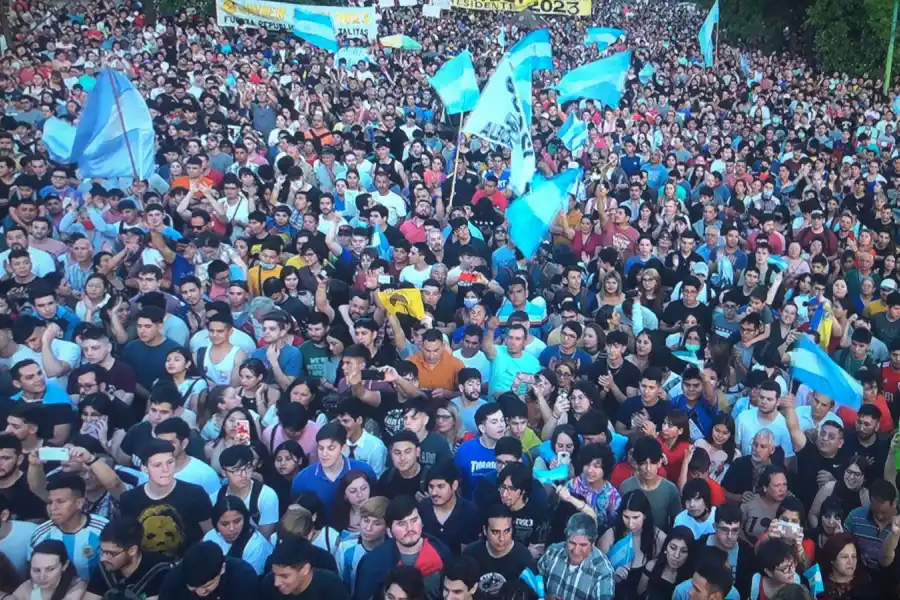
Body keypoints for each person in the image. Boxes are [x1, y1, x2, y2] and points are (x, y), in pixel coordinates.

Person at [118, 439, 213, 559]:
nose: (166, 469)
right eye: (157, 465)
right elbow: (128, 539)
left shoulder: (195, 494)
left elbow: (210, 534)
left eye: (170, 462)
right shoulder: (129, 499)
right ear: (144, 468)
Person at [352, 495, 451, 600]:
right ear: (389, 531)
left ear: (422, 523)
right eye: (401, 524)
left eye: (414, 520)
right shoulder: (373, 563)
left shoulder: (441, 552)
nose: (410, 528)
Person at [28, 473, 108, 580]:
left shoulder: (103, 530)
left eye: (60, 501)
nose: (53, 508)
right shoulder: (40, 533)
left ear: (79, 503)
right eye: (50, 502)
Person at [290, 423, 376, 522]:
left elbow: (376, 505)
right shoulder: (302, 479)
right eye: (321, 448)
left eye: (331, 448)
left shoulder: (365, 470)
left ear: (343, 448)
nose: (324, 454)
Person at [83, 518, 171, 600]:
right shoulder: (105, 568)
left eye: (112, 553)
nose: (103, 558)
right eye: (102, 551)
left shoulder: (160, 572)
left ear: (132, 550)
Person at [461, 504, 537, 597]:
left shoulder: (524, 557)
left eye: (506, 531)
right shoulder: (471, 553)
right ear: (485, 530)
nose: (502, 538)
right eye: (495, 532)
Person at [539, 512, 615, 600]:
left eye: (583, 545)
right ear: (566, 539)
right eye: (572, 543)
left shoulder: (604, 572)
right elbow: (535, 584)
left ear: (593, 543)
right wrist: (544, 597)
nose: (576, 551)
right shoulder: (552, 552)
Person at [158, 541, 261, 600]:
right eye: (193, 588)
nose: (200, 592)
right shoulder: (173, 581)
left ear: (222, 569)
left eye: (207, 586)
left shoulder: (243, 577)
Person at [417, 460, 480, 555]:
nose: (434, 492)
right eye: (431, 487)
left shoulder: (469, 512)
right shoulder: (421, 510)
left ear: (454, 485)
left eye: (440, 486)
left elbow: (468, 552)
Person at [203, 495, 273, 575]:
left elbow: (251, 578)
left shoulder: (256, 545)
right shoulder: (210, 537)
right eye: (225, 524)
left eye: (237, 522)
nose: (232, 528)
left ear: (245, 519)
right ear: (216, 523)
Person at [262, 537, 349, 600]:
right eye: (275, 574)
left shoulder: (330, 585)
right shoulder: (269, 584)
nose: (276, 583)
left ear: (305, 569)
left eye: (284, 576)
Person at [334, 496, 389, 592]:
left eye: (377, 524)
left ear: (387, 527)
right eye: (366, 521)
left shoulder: (393, 550)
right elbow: (340, 584)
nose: (368, 528)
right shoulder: (345, 547)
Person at [12, 539, 86, 600]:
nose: (42, 577)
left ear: (65, 565)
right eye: (36, 570)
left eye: (50, 569)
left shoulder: (78, 589)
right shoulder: (26, 588)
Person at [636, 525, 695, 600]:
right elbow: (639, 593)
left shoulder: (691, 580)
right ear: (666, 547)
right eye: (673, 548)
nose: (676, 555)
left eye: (683, 551)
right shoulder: (652, 566)